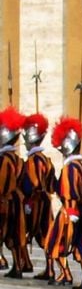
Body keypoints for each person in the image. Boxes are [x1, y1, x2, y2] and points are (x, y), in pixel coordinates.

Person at [45, 116, 82, 289]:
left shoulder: (70, 169)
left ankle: (66, 273)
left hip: (70, 210)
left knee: (53, 243)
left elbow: (68, 190)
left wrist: (71, 208)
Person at [20, 113, 54, 280]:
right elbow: (53, 183)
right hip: (45, 201)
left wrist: (28, 200)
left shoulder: (34, 161)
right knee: (45, 234)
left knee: (34, 233)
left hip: (35, 202)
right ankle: (48, 267)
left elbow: (31, 183)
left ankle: (47, 268)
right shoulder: (47, 160)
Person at [0, 107, 28, 278]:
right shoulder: (19, 160)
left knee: (8, 232)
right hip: (18, 200)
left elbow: (2, 183)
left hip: (6, 201)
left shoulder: (4, 160)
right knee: (15, 234)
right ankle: (18, 265)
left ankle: (14, 265)